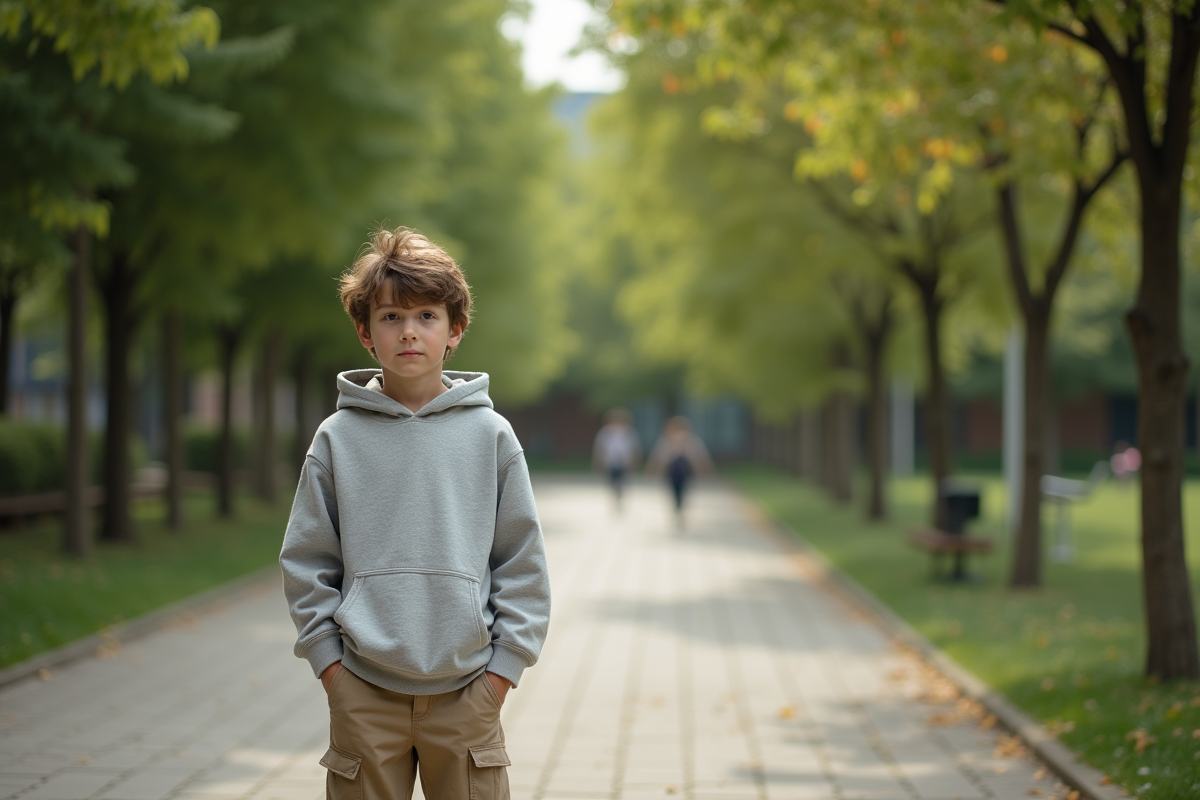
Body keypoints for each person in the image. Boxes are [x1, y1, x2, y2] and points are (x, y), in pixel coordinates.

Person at [280, 226, 551, 800]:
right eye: (390, 317)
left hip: (469, 690)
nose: (408, 331)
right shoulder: (336, 438)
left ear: (455, 330)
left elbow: (522, 563)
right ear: (365, 332)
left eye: (426, 316)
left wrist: (501, 675)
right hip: (362, 690)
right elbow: (307, 561)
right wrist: (332, 671)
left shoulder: (492, 436)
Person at [646, 416, 713, 527]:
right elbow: (657, 457)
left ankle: (680, 507)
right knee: (674, 490)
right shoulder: (665, 441)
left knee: (684, 490)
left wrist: (703, 469)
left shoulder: (691, 441)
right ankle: (677, 507)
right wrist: (654, 469)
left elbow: (700, 456)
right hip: (672, 472)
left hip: (685, 472)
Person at [592, 408, 641, 508]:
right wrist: (598, 461)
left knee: (622, 479)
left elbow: (634, 447)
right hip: (610, 461)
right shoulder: (605, 432)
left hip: (624, 461)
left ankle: (620, 493)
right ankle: (616, 495)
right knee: (612, 479)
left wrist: (634, 460)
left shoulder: (628, 432)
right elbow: (600, 447)